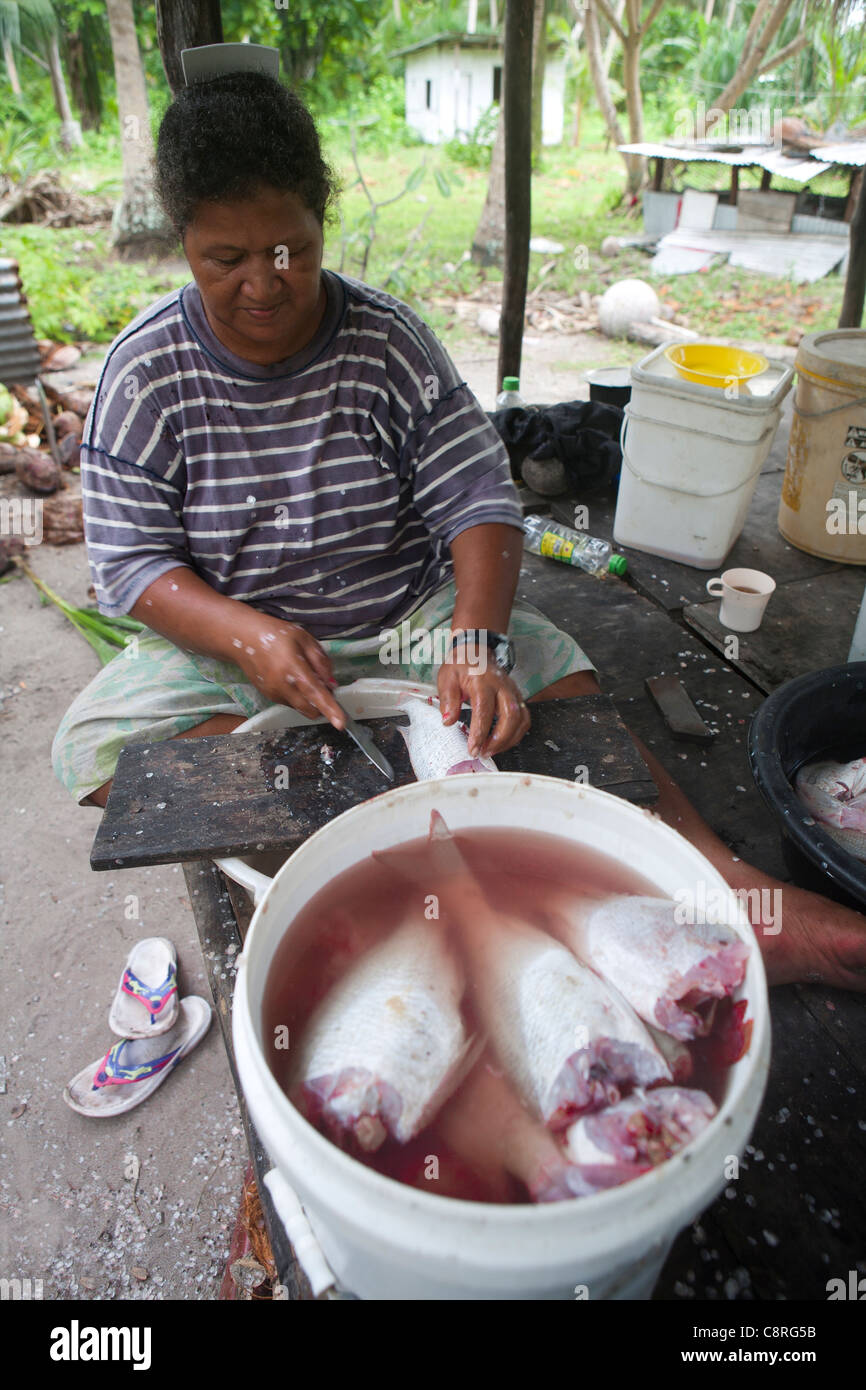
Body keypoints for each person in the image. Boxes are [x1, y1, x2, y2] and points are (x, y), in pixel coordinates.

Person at [52, 66, 866, 995]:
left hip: (409, 616)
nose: (263, 286)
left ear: (322, 224)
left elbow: (479, 500)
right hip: (240, 648)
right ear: (181, 242)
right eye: (223, 259)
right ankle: (372, 860)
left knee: (559, 683)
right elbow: (130, 564)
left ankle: (732, 895)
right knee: (100, 747)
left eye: (290, 250)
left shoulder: (389, 343)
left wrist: (474, 640)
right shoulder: (146, 371)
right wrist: (247, 636)